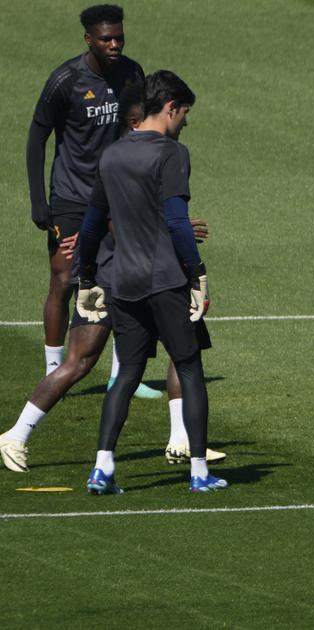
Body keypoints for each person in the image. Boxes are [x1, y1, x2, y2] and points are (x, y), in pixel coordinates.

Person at [0, 84, 224, 473]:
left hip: (116, 275)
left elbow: (127, 220)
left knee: (175, 351)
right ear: (137, 121)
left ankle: (179, 438)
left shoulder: (118, 158)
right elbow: (122, 223)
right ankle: (16, 435)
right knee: (84, 360)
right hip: (129, 277)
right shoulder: (139, 159)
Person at [73, 70, 225, 494]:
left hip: (123, 281)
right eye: (185, 113)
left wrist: (85, 275)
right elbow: (177, 222)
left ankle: (102, 467)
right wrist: (197, 273)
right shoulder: (172, 153)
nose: (186, 122)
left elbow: (89, 226)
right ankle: (198, 471)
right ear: (171, 107)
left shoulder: (112, 155)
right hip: (165, 279)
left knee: (126, 375)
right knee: (190, 366)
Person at [26, 5, 147, 381]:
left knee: (121, 279)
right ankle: (53, 367)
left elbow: (138, 130)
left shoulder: (132, 73)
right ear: (89, 40)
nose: (115, 44)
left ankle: (120, 373)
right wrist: (37, 201)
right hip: (71, 197)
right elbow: (36, 136)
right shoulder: (66, 80)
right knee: (64, 280)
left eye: (119, 37)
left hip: (115, 196)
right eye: (106, 38)